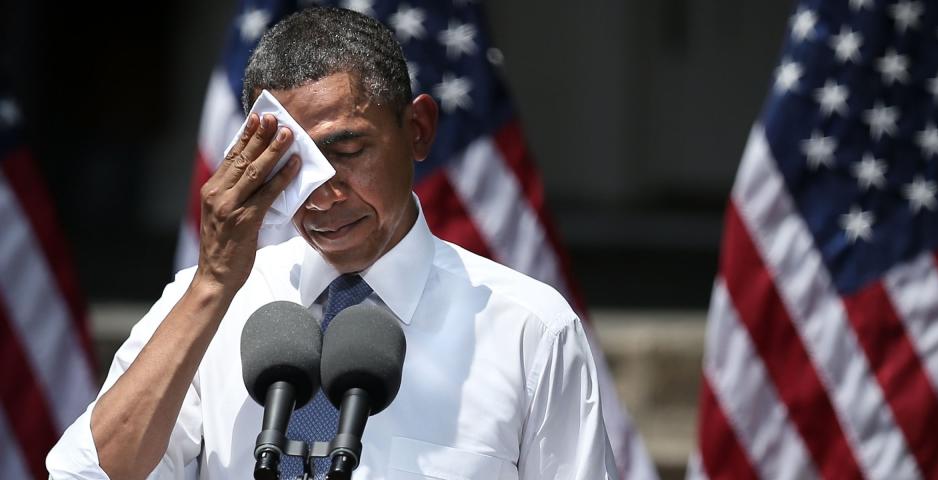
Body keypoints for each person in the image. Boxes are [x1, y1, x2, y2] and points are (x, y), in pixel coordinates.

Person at [47, 7, 618, 480]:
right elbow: (88, 475)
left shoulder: (530, 331)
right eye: (292, 167)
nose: (321, 196)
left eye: (347, 153)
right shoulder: (208, 308)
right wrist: (212, 285)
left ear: (417, 131)